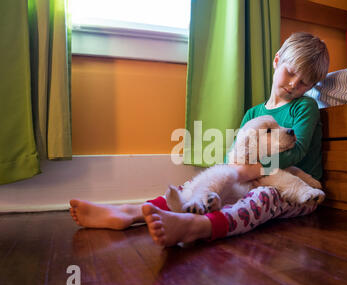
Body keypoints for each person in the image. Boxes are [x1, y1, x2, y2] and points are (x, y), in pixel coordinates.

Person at [69, 32, 330, 247]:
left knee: (261, 199)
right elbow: (235, 156)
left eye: (305, 82)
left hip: (297, 191)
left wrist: (254, 169)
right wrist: (235, 171)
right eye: (291, 72)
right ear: (276, 61)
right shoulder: (254, 113)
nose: (295, 83)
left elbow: (297, 151)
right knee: (200, 184)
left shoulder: (303, 107)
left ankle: (197, 226)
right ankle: (131, 212)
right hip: (251, 179)